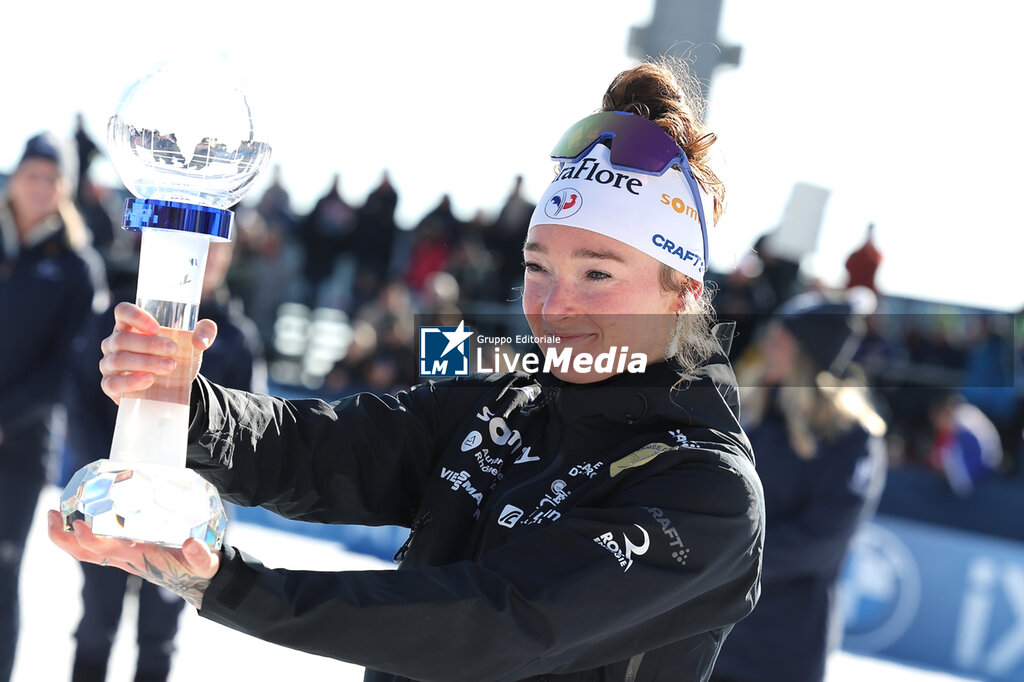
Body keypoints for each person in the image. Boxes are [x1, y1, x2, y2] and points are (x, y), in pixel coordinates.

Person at [50, 61, 765, 682]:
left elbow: (493, 623)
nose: (555, 303)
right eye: (537, 267)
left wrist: (230, 585)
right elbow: (322, 448)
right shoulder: (504, 402)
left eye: (598, 272)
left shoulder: (707, 490)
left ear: (683, 291)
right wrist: (191, 403)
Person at [65, 241, 265, 682]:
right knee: (97, 624)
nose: (206, 260)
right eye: (198, 249)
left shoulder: (235, 336)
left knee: (159, 636)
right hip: (110, 500)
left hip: (181, 513)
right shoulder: (122, 321)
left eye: (216, 251)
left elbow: (248, 431)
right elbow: (80, 402)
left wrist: (192, 491)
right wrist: (112, 472)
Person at [711, 290, 888, 682]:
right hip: (715, 637)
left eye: (783, 336)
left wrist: (727, 559)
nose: (768, 343)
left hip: (782, 648)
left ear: (808, 353)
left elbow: (823, 539)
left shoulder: (851, 437)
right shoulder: (751, 410)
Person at [0, 132, 104, 682]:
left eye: (51, 177)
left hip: (18, 449)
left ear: (64, 188)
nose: (40, 187)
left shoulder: (77, 266)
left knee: (1, 580)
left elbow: (66, 368)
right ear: (14, 177)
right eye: (32, 174)